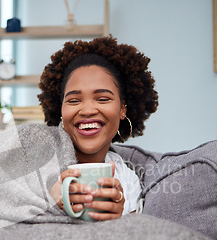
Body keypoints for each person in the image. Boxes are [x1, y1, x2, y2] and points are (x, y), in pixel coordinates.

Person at [38, 36, 158, 221]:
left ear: (122, 109)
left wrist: (118, 219)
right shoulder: (37, 162)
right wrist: (48, 202)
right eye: (73, 100)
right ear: (60, 109)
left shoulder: (126, 178)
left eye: (102, 99)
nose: (87, 110)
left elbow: (135, 237)